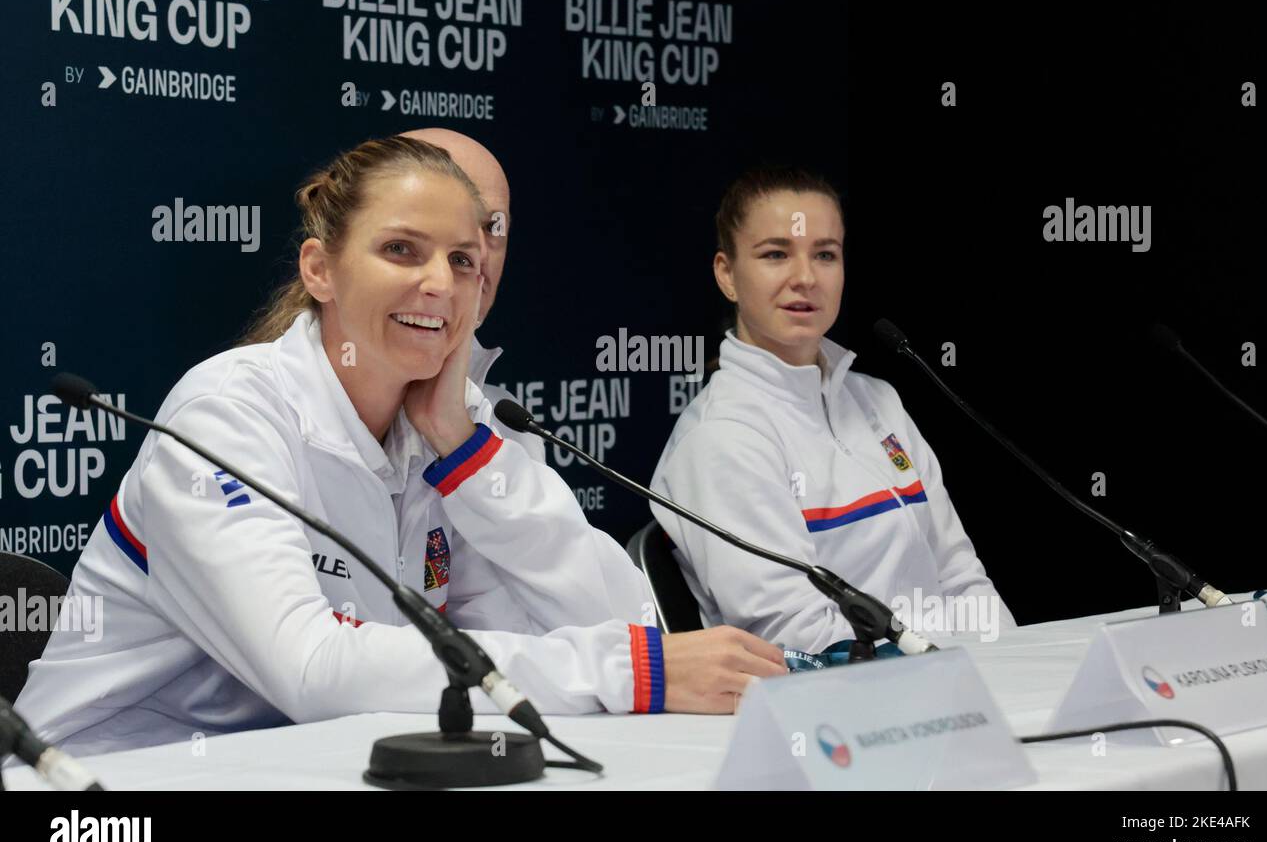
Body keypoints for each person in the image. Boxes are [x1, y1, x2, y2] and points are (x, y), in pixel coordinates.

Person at [14, 137, 786, 756]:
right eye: (401, 251)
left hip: (309, 764)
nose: (441, 285)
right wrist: (628, 673)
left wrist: (467, 457)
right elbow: (311, 668)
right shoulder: (229, 414)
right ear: (320, 269)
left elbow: (621, 622)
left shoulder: (457, 423)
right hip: (107, 783)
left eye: (461, 261)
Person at [651, 165, 1016, 656]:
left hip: (952, 687)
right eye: (776, 254)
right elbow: (796, 638)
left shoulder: (878, 402)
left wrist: (1011, 670)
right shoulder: (720, 436)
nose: (805, 278)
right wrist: (950, 675)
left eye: (825, 254)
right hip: (836, 716)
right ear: (727, 274)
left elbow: (960, 575)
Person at [398, 128, 544, 462]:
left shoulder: (507, 428)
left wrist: (456, 437)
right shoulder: (263, 407)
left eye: (494, 227)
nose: (475, 252)